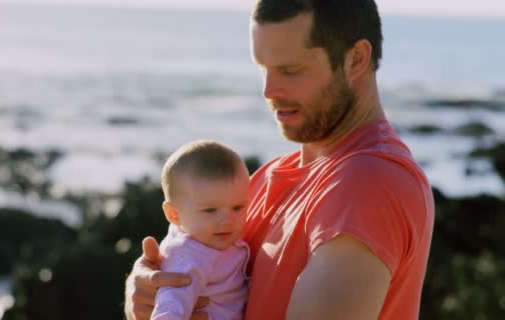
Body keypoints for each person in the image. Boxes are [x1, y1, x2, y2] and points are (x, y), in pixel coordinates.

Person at [125, 0, 435, 319]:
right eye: (264, 69)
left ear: (355, 59)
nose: (269, 91)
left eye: (290, 70)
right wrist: (149, 296)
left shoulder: (368, 181)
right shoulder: (262, 180)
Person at [150, 140, 250, 320]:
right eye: (210, 210)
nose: (228, 220)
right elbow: (169, 306)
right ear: (174, 214)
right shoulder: (189, 257)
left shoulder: (203, 238)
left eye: (238, 207)